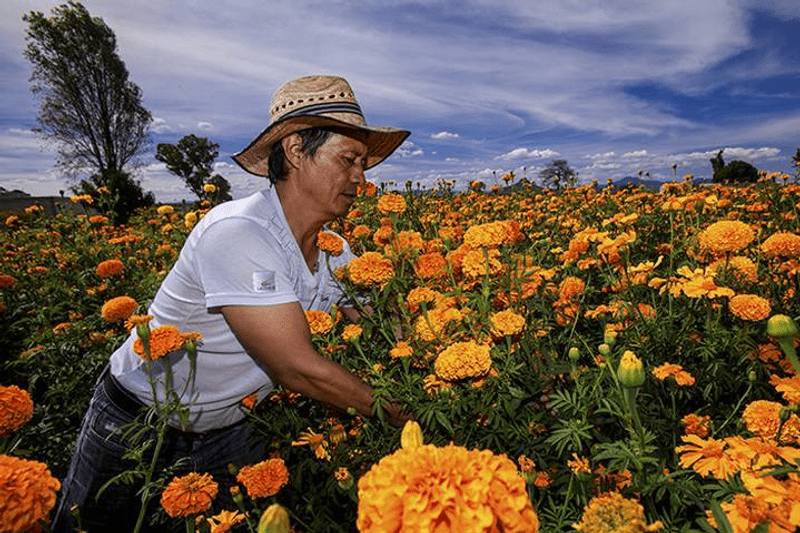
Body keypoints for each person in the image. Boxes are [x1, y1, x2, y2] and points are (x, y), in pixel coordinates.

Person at [51, 74, 412, 532]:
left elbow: (386, 326)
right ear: (296, 150)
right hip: (139, 424)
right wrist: (403, 414)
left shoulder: (335, 250)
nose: (361, 177)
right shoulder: (238, 232)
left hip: (233, 429)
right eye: (348, 160)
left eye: (363, 163)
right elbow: (296, 368)